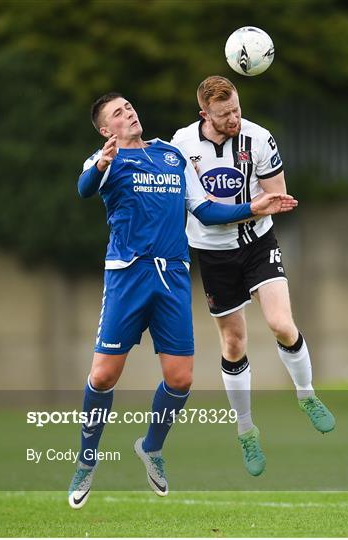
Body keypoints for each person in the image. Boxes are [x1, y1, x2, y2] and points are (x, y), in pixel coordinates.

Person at [68, 91, 298, 508]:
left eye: (129, 106)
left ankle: (151, 448)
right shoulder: (104, 160)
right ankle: (86, 460)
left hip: (173, 275)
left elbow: (206, 212)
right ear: (106, 130)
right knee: (103, 376)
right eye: (118, 113)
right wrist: (101, 163)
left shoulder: (172, 156)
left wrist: (254, 206)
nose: (129, 113)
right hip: (127, 276)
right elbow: (85, 188)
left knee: (180, 379)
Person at [171, 76, 335, 477]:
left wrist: (271, 201)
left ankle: (307, 395)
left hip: (258, 244)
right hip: (213, 254)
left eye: (237, 109)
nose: (234, 119)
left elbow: (275, 195)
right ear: (204, 115)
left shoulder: (259, 138)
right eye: (224, 115)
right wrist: (256, 204)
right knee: (233, 341)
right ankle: (246, 430)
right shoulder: (182, 145)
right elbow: (201, 209)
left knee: (281, 324)